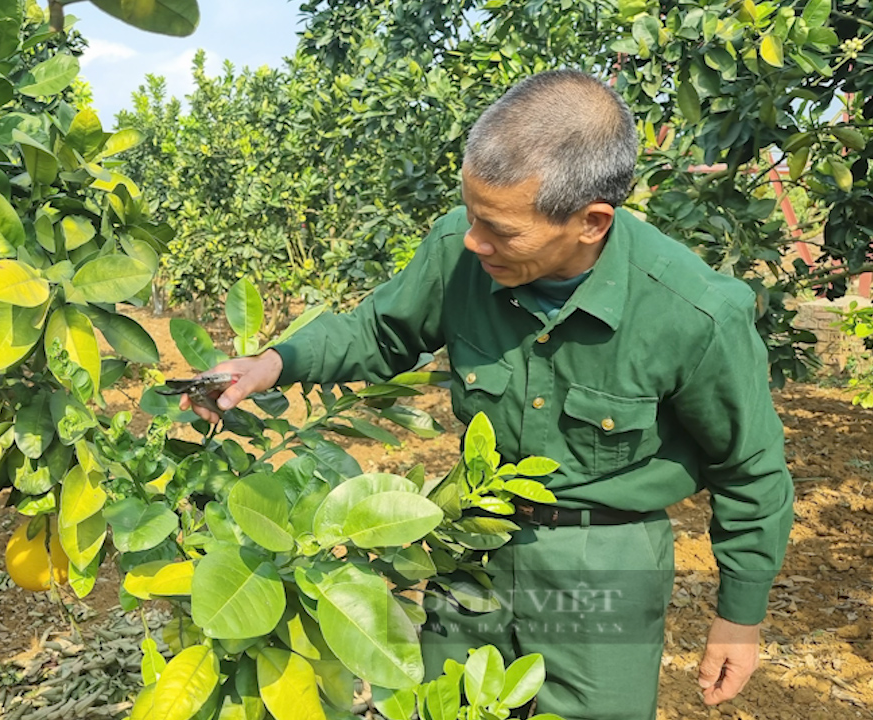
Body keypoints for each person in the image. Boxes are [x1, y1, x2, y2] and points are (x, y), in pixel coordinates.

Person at [180, 69, 794, 720]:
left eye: (498, 229)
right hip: (471, 538)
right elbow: (381, 330)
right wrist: (273, 363)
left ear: (591, 222)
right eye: (471, 216)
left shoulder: (691, 315)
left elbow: (750, 469)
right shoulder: (461, 249)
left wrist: (740, 616)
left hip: (602, 565)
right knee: (446, 706)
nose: (474, 242)